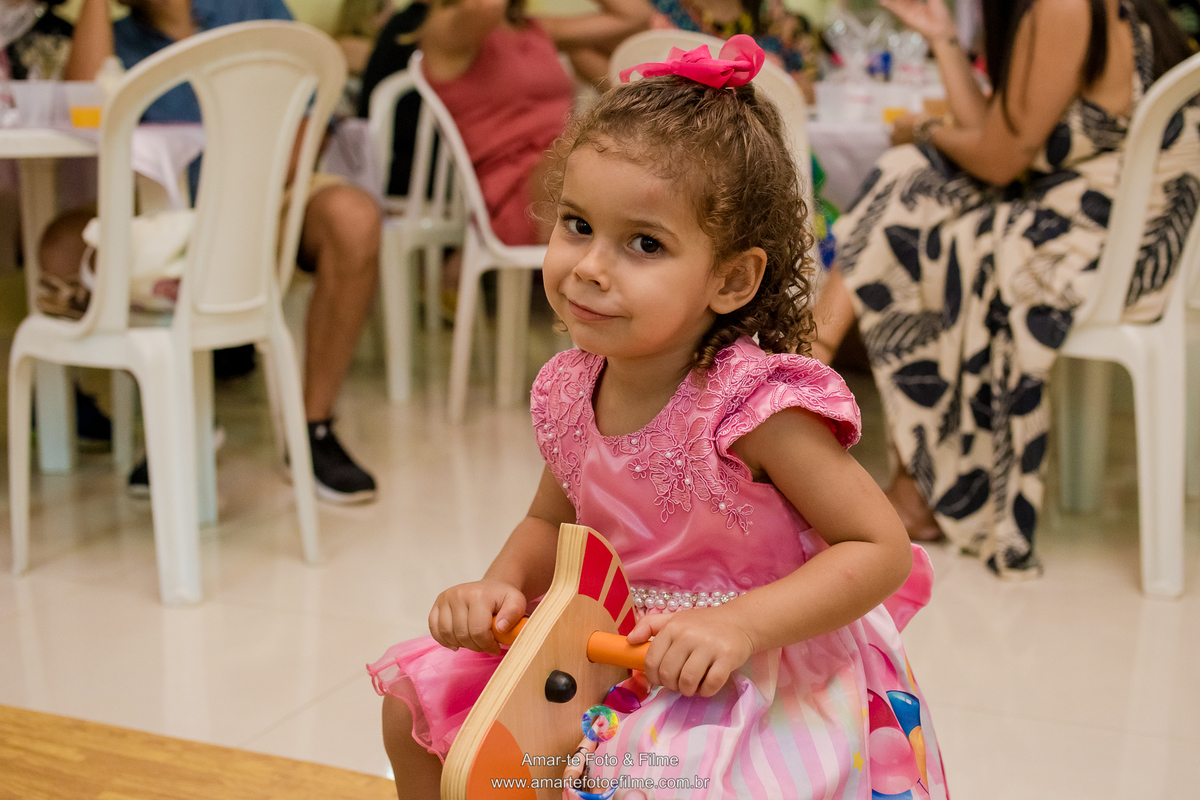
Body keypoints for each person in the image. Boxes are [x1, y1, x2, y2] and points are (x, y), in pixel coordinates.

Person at [369, 37, 947, 800]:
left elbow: (878, 549)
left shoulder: (754, 407)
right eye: (577, 224)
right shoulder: (570, 388)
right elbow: (550, 523)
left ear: (733, 279)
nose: (590, 266)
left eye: (644, 243)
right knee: (422, 709)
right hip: (608, 650)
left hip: (750, 675)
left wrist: (739, 626)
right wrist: (500, 585)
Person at [811, 0, 1198, 576]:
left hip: (1098, 248)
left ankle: (807, 386)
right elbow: (1001, 131)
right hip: (1095, 223)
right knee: (907, 188)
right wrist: (942, 39)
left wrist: (925, 128)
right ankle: (826, 398)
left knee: (908, 201)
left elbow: (996, 160)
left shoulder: (1063, 7)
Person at [39, 0, 382, 504]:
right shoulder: (116, 40)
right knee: (60, 247)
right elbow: (84, 113)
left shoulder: (257, 10)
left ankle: (314, 429)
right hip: (156, 211)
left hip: (264, 200)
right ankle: (179, 418)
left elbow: (303, 132)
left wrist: (231, 212)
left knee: (353, 219)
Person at [417, 0, 574, 248]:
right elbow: (487, 7)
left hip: (562, 164)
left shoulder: (534, 29)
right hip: (511, 193)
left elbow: (632, 17)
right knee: (592, 149)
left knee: (610, 146)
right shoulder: (449, 29)